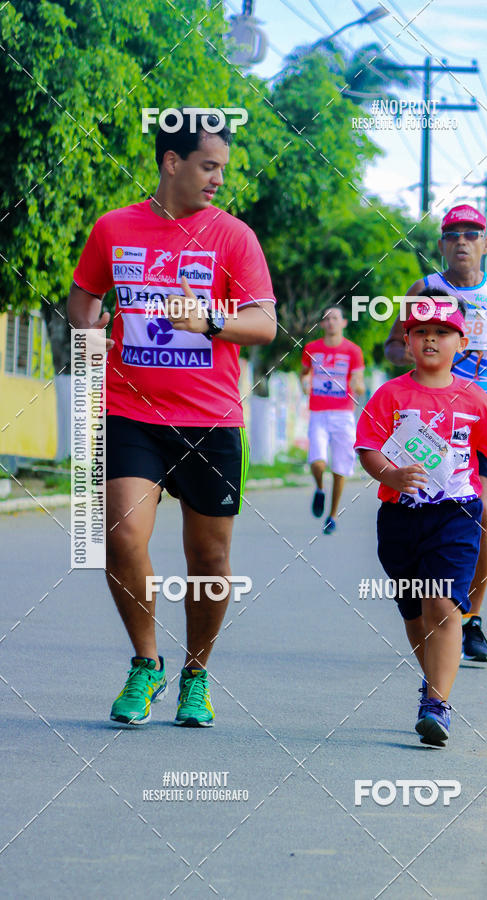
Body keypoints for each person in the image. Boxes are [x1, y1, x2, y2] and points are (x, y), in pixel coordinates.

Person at [67, 110, 277, 727]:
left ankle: (196, 673)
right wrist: (90, 333)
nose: (217, 180)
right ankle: (146, 663)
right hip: (131, 411)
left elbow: (264, 324)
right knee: (122, 536)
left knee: (208, 561)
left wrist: (211, 320)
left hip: (211, 420)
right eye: (208, 166)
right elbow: (85, 295)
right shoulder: (114, 228)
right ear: (171, 162)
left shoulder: (233, 237)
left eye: (222, 170)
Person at [355, 298, 487, 746]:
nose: (431, 339)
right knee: (414, 611)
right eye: (421, 332)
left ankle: (437, 704)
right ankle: (433, 683)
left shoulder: (475, 398)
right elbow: (368, 447)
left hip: (457, 514)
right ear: (407, 341)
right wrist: (391, 474)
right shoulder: (391, 394)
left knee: (442, 604)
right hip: (400, 518)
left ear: (461, 343)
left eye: (442, 332)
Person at [384, 204, 487, 663]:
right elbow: (392, 347)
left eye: (472, 234)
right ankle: (438, 606)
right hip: (434, 421)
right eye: (453, 235)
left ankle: (471, 619)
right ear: (442, 245)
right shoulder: (425, 289)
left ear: (486, 244)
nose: (462, 241)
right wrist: (422, 352)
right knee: (433, 518)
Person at [301, 307, 365, 534]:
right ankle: (319, 488)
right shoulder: (311, 348)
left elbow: (359, 380)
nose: (331, 322)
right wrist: (305, 381)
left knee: (340, 466)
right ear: (322, 325)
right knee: (317, 461)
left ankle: (333, 514)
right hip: (318, 412)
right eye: (326, 319)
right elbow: (304, 372)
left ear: (343, 323)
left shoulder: (353, 351)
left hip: (343, 414)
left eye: (335, 318)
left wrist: (358, 386)